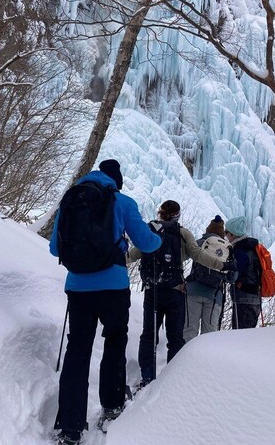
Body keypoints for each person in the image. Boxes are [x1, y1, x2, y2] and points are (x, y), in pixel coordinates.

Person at [49, 159, 161, 445]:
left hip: (78, 287)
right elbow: (147, 243)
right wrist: (157, 239)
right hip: (113, 285)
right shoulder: (121, 202)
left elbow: (54, 248)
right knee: (114, 340)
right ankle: (111, 405)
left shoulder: (70, 200)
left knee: (78, 348)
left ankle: (70, 426)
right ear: (116, 182)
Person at [129, 200, 235, 387]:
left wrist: (107, 262)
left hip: (152, 290)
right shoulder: (182, 233)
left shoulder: (150, 231)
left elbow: (133, 254)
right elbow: (199, 256)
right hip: (175, 291)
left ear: (160, 214)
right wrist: (222, 266)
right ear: (178, 215)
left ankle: (147, 377)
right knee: (176, 337)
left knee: (148, 335)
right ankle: (172, 381)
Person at [183, 215, 230, 342]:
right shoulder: (227, 248)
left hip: (193, 291)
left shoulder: (200, 242)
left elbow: (183, 255)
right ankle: (205, 361)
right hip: (215, 296)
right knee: (209, 334)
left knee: (189, 330)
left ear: (208, 230)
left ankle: (184, 360)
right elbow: (233, 275)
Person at [225, 216, 263, 329]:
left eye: (226, 232)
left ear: (233, 233)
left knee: (240, 336)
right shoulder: (252, 248)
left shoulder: (240, 251)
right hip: (255, 298)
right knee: (248, 335)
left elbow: (235, 274)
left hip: (244, 299)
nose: (225, 235)